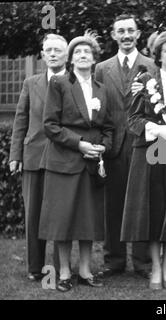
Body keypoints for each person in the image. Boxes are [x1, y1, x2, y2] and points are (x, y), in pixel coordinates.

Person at [39, 31, 114, 292]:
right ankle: (63, 273)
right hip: (64, 163)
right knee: (63, 221)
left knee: (87, 220)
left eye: (88, 52)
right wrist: (79, 144)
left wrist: (103, 146)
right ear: (71, 59)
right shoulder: (58, 84)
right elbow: (50, 125)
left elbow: (109, 127)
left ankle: (84, 270)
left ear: (94, 59)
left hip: (91, 165)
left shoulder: (102, 89)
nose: (83, 55)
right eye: (78, 52)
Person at [121, 31, 166, 290]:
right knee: (153, 209)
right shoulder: (145, 80)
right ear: (158, 55)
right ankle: (154, 267)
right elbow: (133, 120)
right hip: (149, 150)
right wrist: (159, 130)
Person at [94, 14, 156, 279]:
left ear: (138, 34)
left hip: (144, 144)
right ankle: (114, 260)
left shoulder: (152, 65)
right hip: (114, 146)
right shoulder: (102, 68)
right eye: (121, 31)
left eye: (131, 30)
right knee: (113, 204)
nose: (126, 35)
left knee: (143, 203)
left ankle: (142, 261)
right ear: (113, 35)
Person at [9, 34, 68, 281]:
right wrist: (15, 155)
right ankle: (35, 268)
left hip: (64, 157)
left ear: (66, 55)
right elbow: (20, 119)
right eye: (48, 50)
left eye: (57, 50)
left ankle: (59, 268)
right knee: (33, 215)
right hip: (33, 156)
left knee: (60, 214)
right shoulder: (30, 83)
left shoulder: (74, 82)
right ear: (42, 55)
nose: (52, 54)